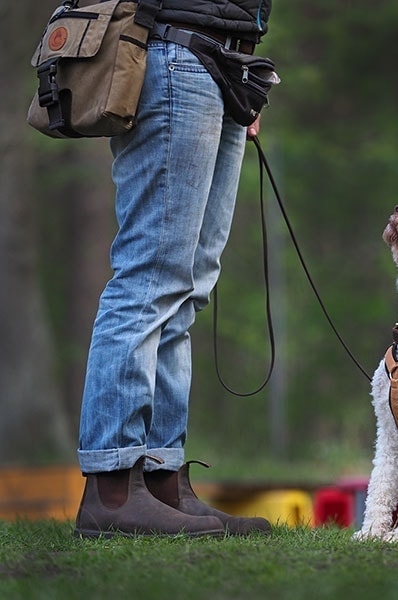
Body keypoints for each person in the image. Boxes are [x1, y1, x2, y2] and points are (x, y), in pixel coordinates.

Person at [73, 0, 274, 538]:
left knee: (189, 288)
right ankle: (111, 489)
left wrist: (241, 79)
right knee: (150, 279)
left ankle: (162, 481)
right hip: (175, 53)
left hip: (229, 67)